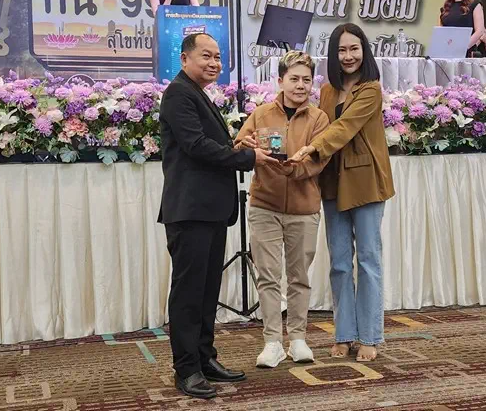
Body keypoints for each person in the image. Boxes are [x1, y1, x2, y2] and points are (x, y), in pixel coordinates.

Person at [158, 33, 278, 399]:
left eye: (218, 57)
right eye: (206, 56)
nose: (214, 63)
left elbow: (207, 145)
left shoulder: (198, 93)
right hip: (191, 210)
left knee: (208, 290)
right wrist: (246, 157)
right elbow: (195, 146)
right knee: (189, 292)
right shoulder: (178, 94)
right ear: (184, 59)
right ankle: (186, 369)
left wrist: (236, 145)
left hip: (209, 209)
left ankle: (204, 357)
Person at [290, 23, 395, 363]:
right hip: (332, 181)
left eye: (354, 49)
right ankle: (344, 333)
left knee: (367, 260)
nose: (348, 56)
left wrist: (312, 148)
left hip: (366, 182)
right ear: (333, 54)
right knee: (338, 262)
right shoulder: (326, 90)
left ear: (364, 51)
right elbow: (316, 124)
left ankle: (370, 336)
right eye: (341, 50)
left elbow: (345, 127)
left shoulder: (371, 89)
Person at [234, 51, 331, 368]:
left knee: (299, 277)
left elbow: (320, 159)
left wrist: (292, 168)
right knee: (268, 277)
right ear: (280, 81)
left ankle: (298, 338)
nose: (300, 85)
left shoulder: (319, 118)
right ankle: (272, 342)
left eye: (306, 80)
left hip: (304, 209)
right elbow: (238, 145)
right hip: (264, 206)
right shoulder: (261, 114)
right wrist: (248, 148)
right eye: (294, 79)